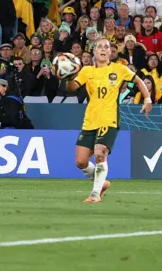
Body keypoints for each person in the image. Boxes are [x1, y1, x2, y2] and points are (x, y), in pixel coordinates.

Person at [63, 37, 151, 203]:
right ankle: (101, 183)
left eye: (106, 47)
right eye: (99, 47)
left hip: (109, 118)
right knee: (80, 161)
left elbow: (138, 80)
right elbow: (72, 88)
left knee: (100, 153)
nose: (103, 49)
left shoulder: (119, 69)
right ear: (94, 51)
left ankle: (95, 195)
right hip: (90, 120)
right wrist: (67, 76)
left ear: (110, 52)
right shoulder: (87, 71)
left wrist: (147, 99)